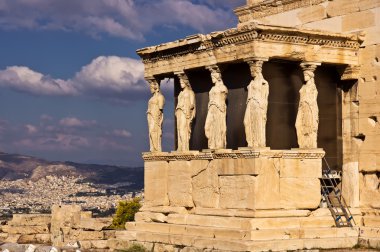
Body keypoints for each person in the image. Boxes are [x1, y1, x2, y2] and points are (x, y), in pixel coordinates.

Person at [244, 60, 269, 148]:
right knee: (247, 122)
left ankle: (258, 143)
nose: (251, 72)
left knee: (257, 123)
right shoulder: (251, 82)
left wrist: (264, 110)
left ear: (257, 70)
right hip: (250, 104)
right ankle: (251, 142)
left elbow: (265, 97)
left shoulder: (264, 83)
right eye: (251, 70)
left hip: (258, 105)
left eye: (253, 70)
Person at [204, 67, 228, 149]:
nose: (212, 79)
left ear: (217, 78)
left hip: (218, 109)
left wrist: (220, 107)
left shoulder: (223, 88)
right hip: (211, 109)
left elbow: (223, 101)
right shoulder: (212, 88)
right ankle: (212, 144)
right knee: (207, 127)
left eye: (213, 77)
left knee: (218, 127)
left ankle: (218, 144)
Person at [295, 67, 319, 148]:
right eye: (304, 74)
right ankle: (304, 144)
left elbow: (313, 100)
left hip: (309, 108)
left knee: (309, 127)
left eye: (306, 74)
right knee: (298, 125)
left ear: (310, 76)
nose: (305, 76)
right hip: (302, 108)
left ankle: (309, 144)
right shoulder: (304, 87)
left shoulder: (312, 87)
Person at [176, 73, 196, 151]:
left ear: (185, 83)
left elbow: (192, 105)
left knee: (183, 129)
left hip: (185, 113)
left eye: (182, 83)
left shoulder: (190, 93)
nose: (181, 84)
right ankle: (180, 146)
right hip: (179, 112)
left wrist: (186, 106)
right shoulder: (180, 93)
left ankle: (185, 147)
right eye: (180, 83)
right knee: (179, 129)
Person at [146, 78, 165, 152]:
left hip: (155, 116)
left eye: (151, 87)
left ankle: (156, 148)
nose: (150, 89)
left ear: (155, 87)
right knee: (150, 132)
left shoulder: (160, 97)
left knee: (153, 131)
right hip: (150, 116)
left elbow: (160, 108)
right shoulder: (152, 98)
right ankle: (153, 148)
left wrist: (159, 119)